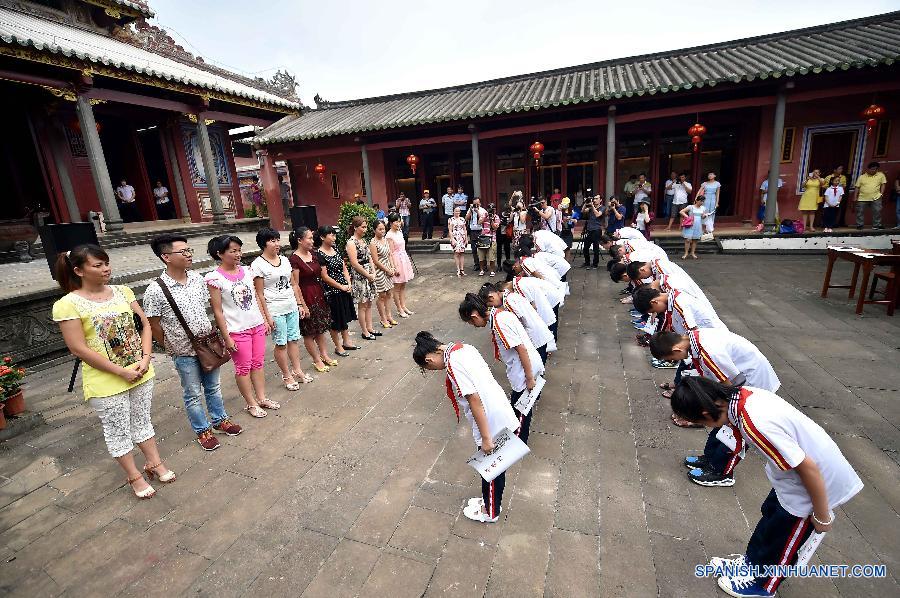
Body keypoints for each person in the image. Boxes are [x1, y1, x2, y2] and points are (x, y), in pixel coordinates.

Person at [672, 377, 863, 598]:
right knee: (770, 519)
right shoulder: (738, 397)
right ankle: (750, 565)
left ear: (705, 414)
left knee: (782, 536)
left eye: (701, 423)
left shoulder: (754, 422)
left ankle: (764, 586)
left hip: (814, 484)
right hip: (791, 477)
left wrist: (821, 515)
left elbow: (808, 468)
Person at [53, 244, 172, 498]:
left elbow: (144, 326)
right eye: (98, 265)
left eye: (106, 263)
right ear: (79, 270)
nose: (106, 268)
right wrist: (120, 372)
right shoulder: (68, 304)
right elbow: (79, 348)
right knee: (117, 429)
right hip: (106, 381)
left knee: (142, 421)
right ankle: (134, 475)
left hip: (140, 371)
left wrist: (146, 357)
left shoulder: (123, 292)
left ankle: (154, 462)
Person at [145, 235, 243, 452]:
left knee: (213, 386)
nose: (189, 255)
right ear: (166, 256)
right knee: (192, 393)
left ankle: (220, 420)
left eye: (190, 250)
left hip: (208, 345)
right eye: (184, 252)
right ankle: (202, 430)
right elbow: (154, 325)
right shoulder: (156, 289)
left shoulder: (198, 279)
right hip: (184, 351)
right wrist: (170, 346)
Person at [649, 328, 780, 488]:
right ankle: (710, 459)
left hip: (751, 385)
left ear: (677, 349)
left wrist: (716, 408)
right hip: (738, 384)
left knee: (733, 430)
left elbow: (729, 384)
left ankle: (722, 473)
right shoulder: (694, 340)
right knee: (720, 424)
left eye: (671, 358)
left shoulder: (708, 352)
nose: (673, 362)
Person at [412, 331, 520, 523]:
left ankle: (491, 511)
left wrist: (486, 438)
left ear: (429, 360)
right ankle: (489, 502)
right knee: (493, 465)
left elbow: (473, 399)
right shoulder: (463, 348)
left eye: (429, 368)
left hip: (489, 418)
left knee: (492, 466)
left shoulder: (453, 364)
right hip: (496, 406)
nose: (435, 370)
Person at [205, 235, 278, 418]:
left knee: (258, 364)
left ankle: (261, 398)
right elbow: (218, 311)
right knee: (243, 367)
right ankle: (251, 403)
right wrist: (227, 337)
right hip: (237, 330)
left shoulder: (247, 271)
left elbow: (255, 297)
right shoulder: (215, 278)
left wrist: (264, 319)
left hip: (256, 325)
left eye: (239, 250)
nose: (238, 254)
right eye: (233, 251)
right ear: (220, 254)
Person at [459, 293, 543, 445]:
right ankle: (518, 439)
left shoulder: (499, 323)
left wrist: (529, 378)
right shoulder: (500, 314)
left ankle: (518, 443)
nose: (474, 326)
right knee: (520, 407)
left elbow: (521, 349)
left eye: (471, 323)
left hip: (523, 371)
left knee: (521, 411)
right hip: (527, 365)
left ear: (474, 316)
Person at [250, 228, 312, 391]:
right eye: (272, 240)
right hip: (275, 309)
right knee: (281, 343)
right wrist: (266, 317)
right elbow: (259, 294)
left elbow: (293, 284)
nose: (277, 244)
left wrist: (300, 304)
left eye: (277, 240)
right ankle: (286, 375)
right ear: (263, 244)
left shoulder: (285, 260)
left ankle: (297, 369)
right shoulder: (258, 265)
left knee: (293, 340)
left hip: (291, 305)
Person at [289, 227, 338, 372]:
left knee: (320, 328)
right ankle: (316, 360)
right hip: (305, 295)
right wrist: (302, 304)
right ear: (299, 240)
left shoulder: (313, 254)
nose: (312, 241)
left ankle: (324, 355)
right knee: (309, 331)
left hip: (318, 293)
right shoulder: (294, 259)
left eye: (312, 238)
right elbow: (295, 284)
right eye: (309, 238)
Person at [479, 282, 554, 363]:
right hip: (539, 331)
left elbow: (517, 322)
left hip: (535, 335)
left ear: (491, 297)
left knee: (536, 364)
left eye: (490, 304)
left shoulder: (508, 302)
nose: (493, 307)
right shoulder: (510, 295)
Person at [315, 226, 359, 356]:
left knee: (344, 316)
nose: (334, 238)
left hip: (344, 288)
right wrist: (340, 286)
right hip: (332, 291)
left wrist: (348, 282)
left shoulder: (336, 250)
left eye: (334, 235)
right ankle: (338, 346)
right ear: (322, 237)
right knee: (335, 319)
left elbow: (344, 268)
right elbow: (325, 276)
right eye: (331, 235)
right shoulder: (319, 254)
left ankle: (347, 341)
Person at [346, 216, 378, 341]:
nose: (365, 229)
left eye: (365, 227)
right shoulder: (351, 242)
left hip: (369, 272)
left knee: (369, 302)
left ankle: (370, 328)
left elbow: (370, 257)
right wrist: (368, 274)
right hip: (360, 275)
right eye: (362, 227)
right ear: (355, 227)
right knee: (362, 304)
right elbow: (354, 263)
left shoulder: (364, 241)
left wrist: (373, 271)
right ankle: (364, 331)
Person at [386, 213, 415, 316]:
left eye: (399, 221)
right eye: (396, 221)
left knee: (403, 285)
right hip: (396, 260)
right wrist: (394, 267)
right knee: (397, 286)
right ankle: (399, 309)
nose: (399, 223)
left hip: (404, 258)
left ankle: (403, 306)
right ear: (391, 223)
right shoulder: (389, 235)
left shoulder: (399, 232)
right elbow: (391, 252)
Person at [369, 220, 396, 328]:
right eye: (379, 229)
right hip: (380, 271)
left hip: (388, 269)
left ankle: (389, 316)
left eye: (383, 229)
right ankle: (383, 318)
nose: (382, 231)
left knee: (389, 293)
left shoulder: (385, 240)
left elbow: (389, 255)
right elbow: (375, 260)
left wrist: (393, 267)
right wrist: (387, 270)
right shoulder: (373, 242)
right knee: (382, 295)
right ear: (374, 230)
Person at [851, 161, 887, 230]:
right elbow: (857, 187)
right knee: (860, 211)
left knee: (877, 211)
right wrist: (855, 197)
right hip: (862, 197)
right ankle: (860, 225)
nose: (874, 170)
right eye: (872, 169)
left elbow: (883, 184)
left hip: (876, 197)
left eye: (876, 169)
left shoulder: (881, 175)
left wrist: (881, 194)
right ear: (868, 169)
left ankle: (877, 225)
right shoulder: (862, 177)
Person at [476, 204, 500, 277]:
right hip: (483, 238)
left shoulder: (496, 217)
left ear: (495, 210)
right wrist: (485, 216)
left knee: (492, 256)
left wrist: (491, 219)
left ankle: (492, 270)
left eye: (493, 209)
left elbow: (495, 227)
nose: (491, 210)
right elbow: (479, 222)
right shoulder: (484, 215)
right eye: (490, 208)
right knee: (481, 256)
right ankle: (482, 270)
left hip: (492, 238)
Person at [581, 195, 604, 269]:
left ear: (600, 200)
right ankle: (587, 263)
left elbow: (597, 214)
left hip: (597, 230)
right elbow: (582, 211)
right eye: (594, 199)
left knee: (595, 248)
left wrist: (592, 206)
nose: (595, 200)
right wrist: (586, 203)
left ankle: (595, 264)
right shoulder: (591, 207)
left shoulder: (602, 208)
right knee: (585, 248)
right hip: (590, 230)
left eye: (597, 199)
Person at [465, 197, 487, 272]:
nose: (475, 205)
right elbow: (466, 218)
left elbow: (483, 218)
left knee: (482, 249)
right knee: (474, 249)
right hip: (473, 231)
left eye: (477, 204)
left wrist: (477, 211)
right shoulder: (470, 209)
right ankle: (476, 264)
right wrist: (471, 211)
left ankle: (484, 265)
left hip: (481, 231)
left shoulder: (482, 210)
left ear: (480, 203)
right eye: (474, 204)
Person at [447, 206, 469, 277]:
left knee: (462, 253)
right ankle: (458, 269)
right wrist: (452, 239)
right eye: (456, 211)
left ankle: (462, 270)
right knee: (456, 253)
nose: (457, 212)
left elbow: (465, 229)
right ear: (453, 211)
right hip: (455, 237)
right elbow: (450, 230)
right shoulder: (450, 219)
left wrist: (466, 238)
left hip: (462, 237)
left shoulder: (462, 219)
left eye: (458, 211)